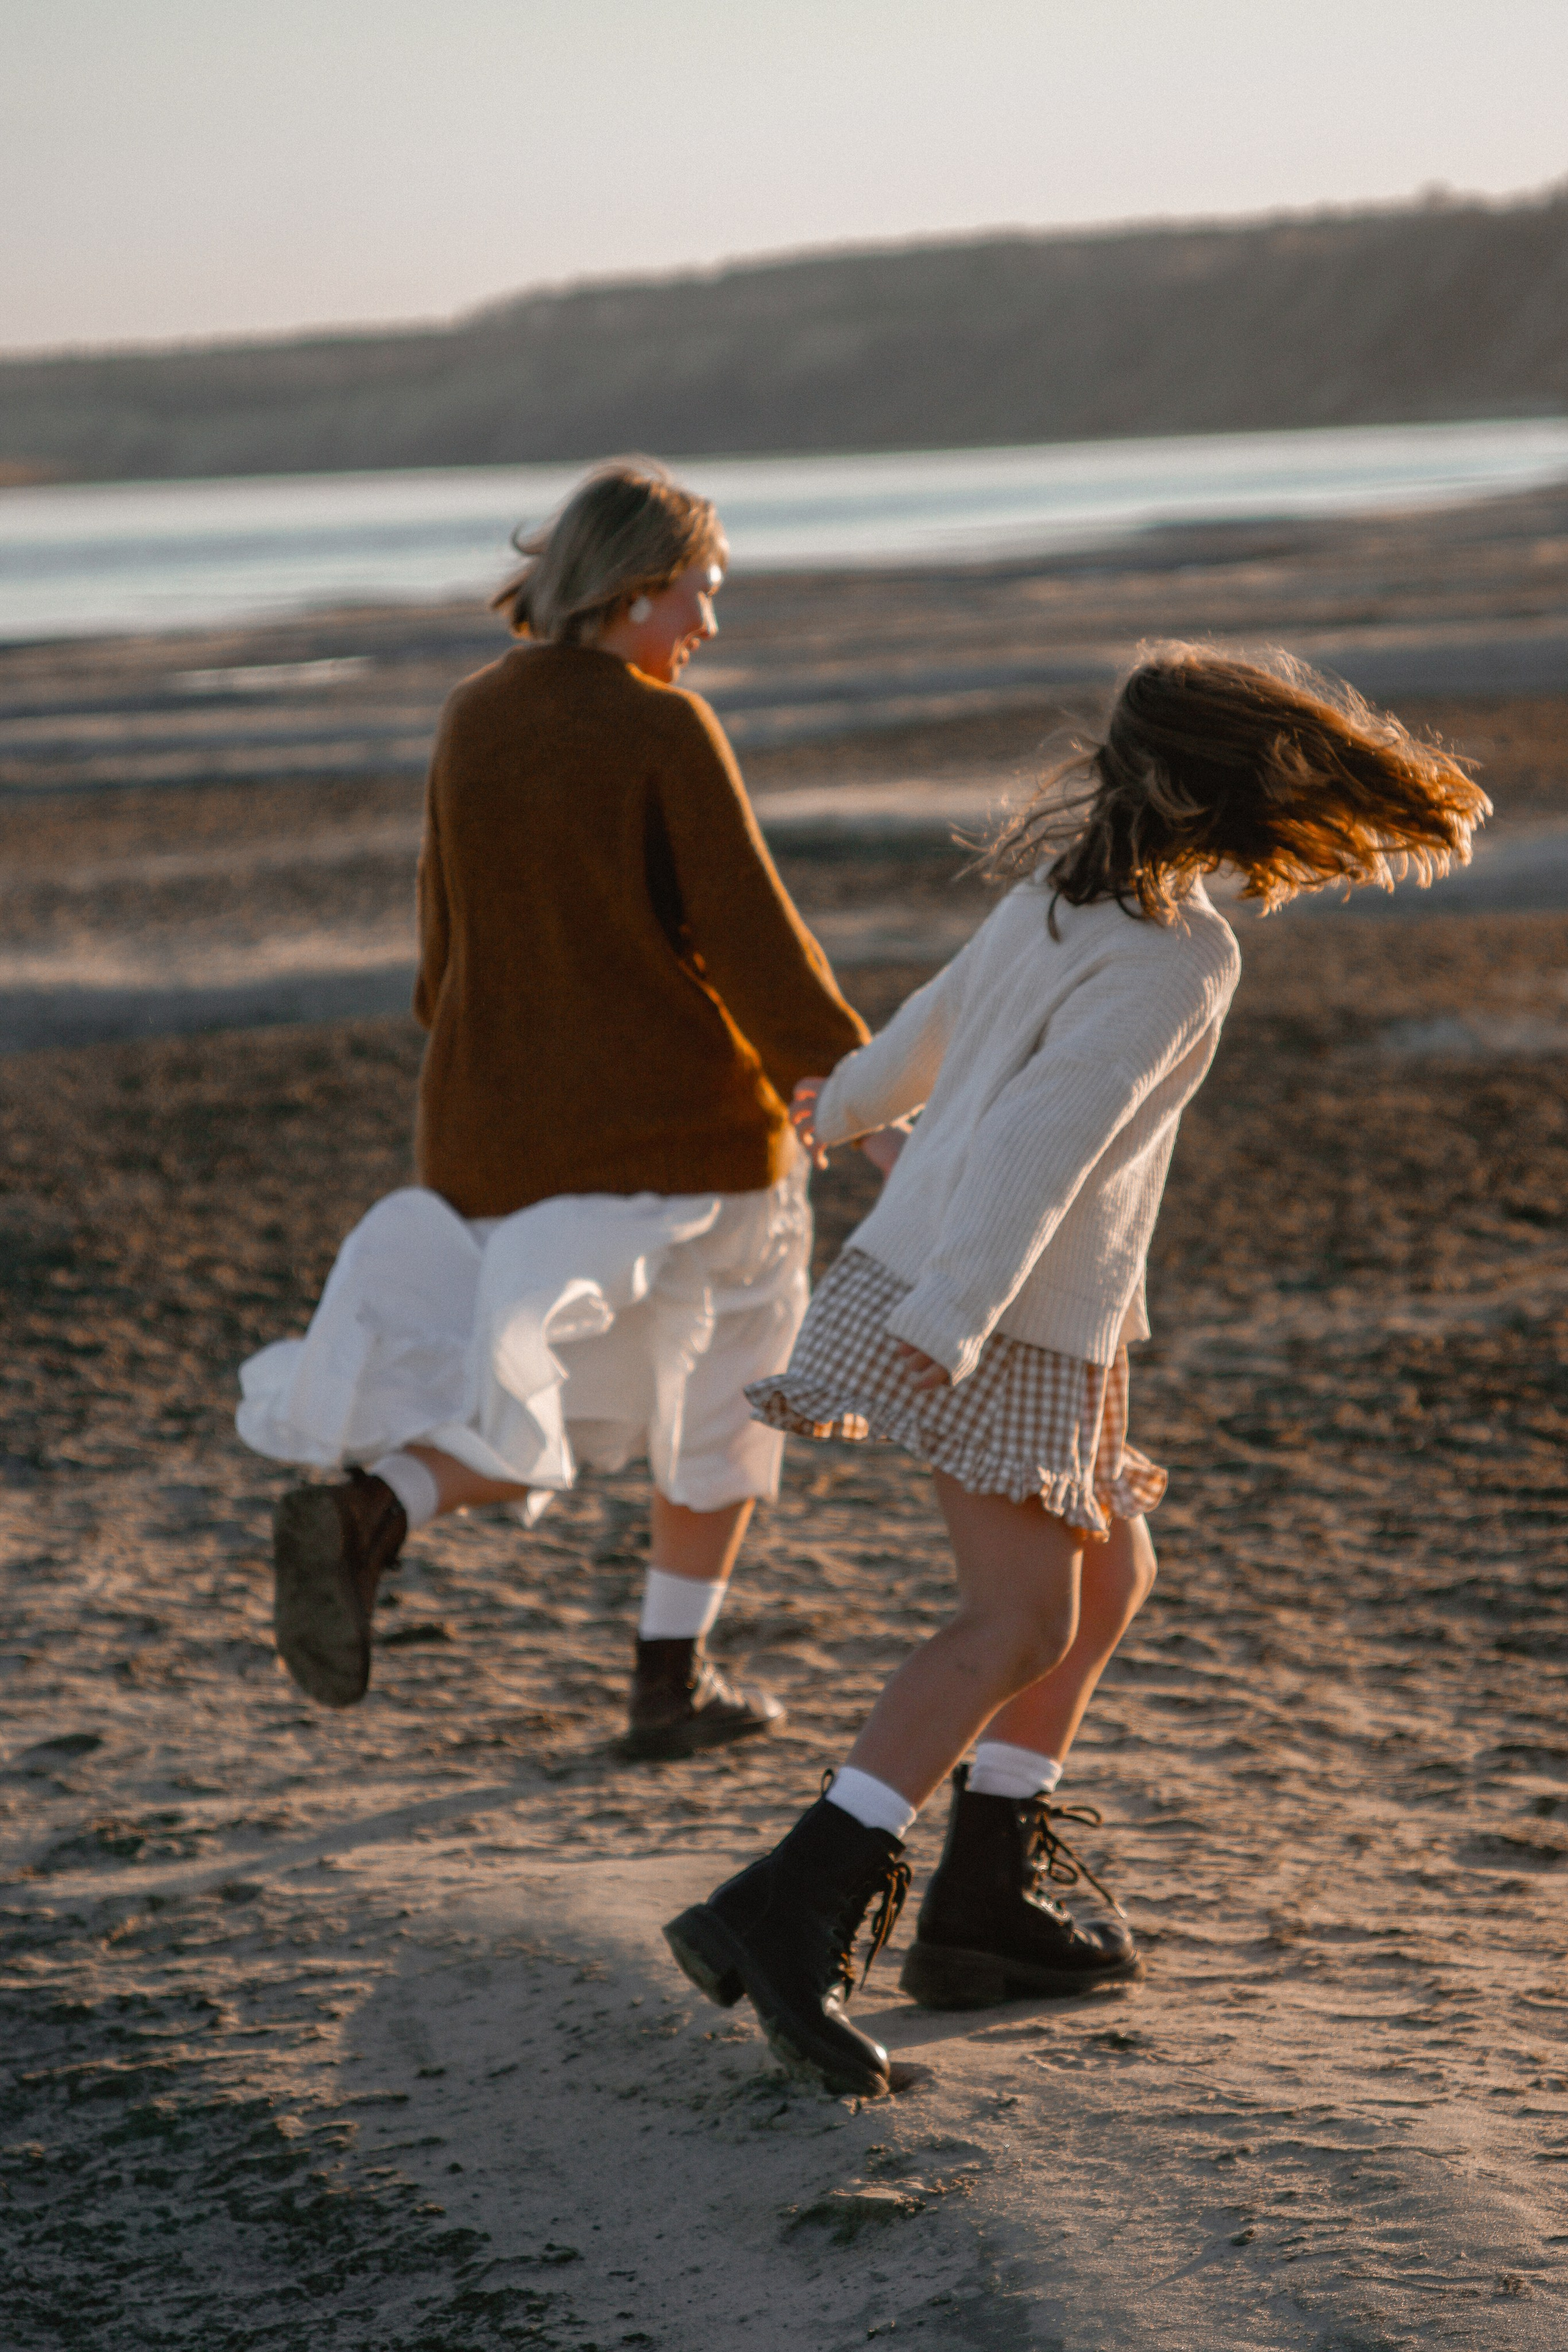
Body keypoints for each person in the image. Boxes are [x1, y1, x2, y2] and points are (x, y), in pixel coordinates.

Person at [663, 643, 1490, 2095]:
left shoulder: (1057, 899)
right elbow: (1041, 1142)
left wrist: (842, 1104)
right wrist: (952, 1314)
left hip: (1043, 1314)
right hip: (992, 1309)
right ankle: (790, 1906)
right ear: (1236, 796)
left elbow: (926, 1029)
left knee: (1108, 1574)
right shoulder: (1177, 958)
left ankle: (985, 1895)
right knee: (1014, 1623)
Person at [237, 460, 869, 1757]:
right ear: (636, 588)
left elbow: (440, 954)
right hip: (688, 1137)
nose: (707, 622)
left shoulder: (473, 713)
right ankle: (669, 1683)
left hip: (494, 1132)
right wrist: (850, 1089)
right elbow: (755, 943)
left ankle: (376, 1509)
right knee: (731, 1395)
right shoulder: (663, 728)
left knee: (553, 1381)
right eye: (700, 591)